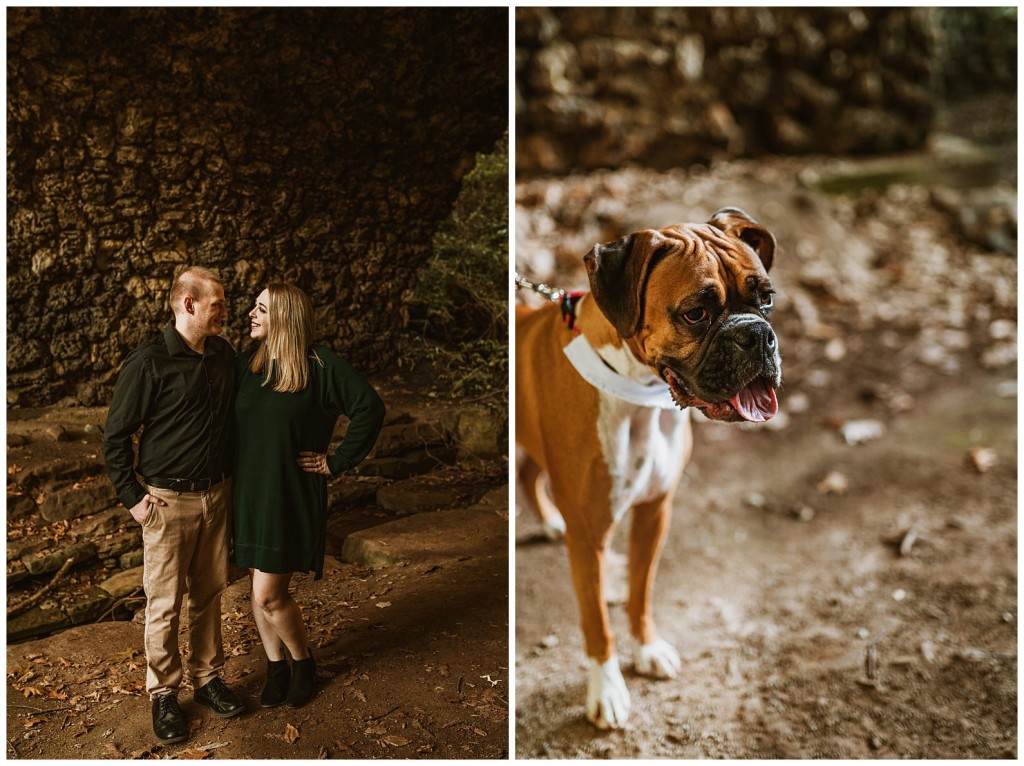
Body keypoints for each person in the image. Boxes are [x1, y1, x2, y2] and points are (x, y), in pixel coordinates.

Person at [104, 266, 246, 745]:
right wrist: (132, 498)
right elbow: (116, 436)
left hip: (217, 495)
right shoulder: (147, 363)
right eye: (218, 305)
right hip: (166, 502)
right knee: (163, 605)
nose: (227, 312)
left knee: (209, 593)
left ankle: (207, 680)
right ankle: (164, 694)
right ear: (188, 305)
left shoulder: (225, 355)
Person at [233, 282, 385, 709]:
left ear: (284, 317)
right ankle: (275, 665)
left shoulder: (320, 365)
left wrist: (336, 461)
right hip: (248, 493)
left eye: (261, 308)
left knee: (269, 594)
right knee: (255, 582)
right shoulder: (249, 365)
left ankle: (303, 662)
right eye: (254, 307)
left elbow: (369, 409)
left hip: (289, 495)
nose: (251, 313)